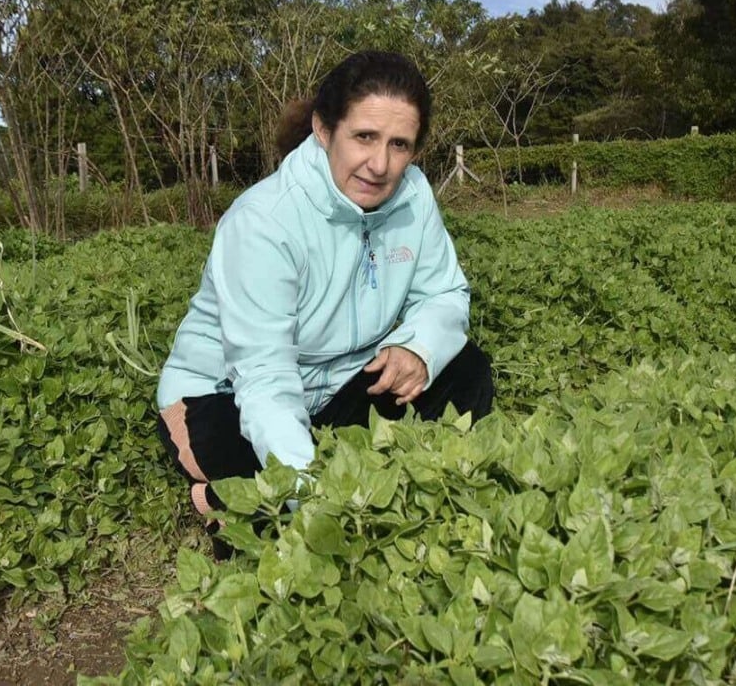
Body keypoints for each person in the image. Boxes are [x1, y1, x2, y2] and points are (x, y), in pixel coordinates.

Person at [155, 50, 493, 545]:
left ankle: (280, 493)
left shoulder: (414, 194)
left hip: (337, 382)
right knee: (237, 448)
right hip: (227, 391)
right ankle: (250, 497)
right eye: (364, 137)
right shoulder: (264, 222)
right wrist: (321, 503)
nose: (380, 165)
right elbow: (265, 381)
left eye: (400, 144)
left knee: (465, 368)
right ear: (323, 129)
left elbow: (443, 292)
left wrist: (418, 348)